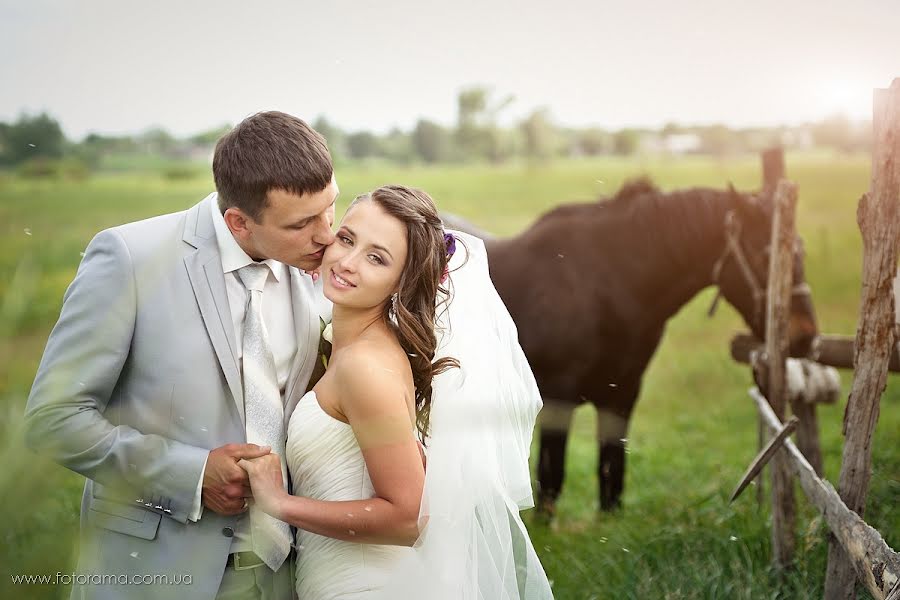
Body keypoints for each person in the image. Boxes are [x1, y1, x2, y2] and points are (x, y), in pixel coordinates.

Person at [24, 111, 337, 600]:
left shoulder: (319, 266)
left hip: (288, 572)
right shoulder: (130, 259)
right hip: (156, 570)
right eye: (302, 223)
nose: (327, 235)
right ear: (239, 221)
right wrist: (190, 475)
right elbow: (54, 417)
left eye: (329, 209)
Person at [239, 185, 553, 599]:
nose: (347, 262)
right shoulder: (351, 347)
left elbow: (408, 518)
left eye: (376, 258)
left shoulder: (364, 369)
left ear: (401, 282)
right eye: (347, 239)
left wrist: (279, 504)